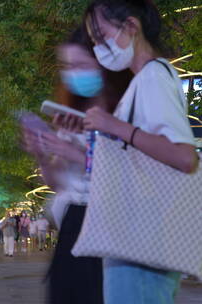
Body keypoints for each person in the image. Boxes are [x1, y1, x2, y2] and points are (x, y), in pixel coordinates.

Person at [80, 1, 198, 303]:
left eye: (102, 36)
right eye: (94, 42)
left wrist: (115, 126)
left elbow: (184, 156)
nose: (99, 48)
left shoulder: (153, 77)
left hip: (141, 243)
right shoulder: (148, 79)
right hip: (141, 240)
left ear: (131, 27)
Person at [22, 23, 132, 303]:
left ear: (104, 64)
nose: (73, 74)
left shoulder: (125, 110)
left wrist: (75, 154)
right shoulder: (72, 114)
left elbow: (131, 172)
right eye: (68, 66)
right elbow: (56, 182)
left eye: (82, 65)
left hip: (113, 225)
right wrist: (42, 153)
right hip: (73, 223)